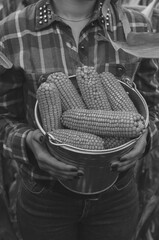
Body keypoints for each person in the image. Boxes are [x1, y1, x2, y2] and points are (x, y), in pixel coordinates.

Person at [0, 0, 159, 240]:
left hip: (116, 192)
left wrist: (148, 136)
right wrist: (27, 142)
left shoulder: (135, 26)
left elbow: (153, 105)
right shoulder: (12, 30)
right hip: (44, 195)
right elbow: (4, 116)